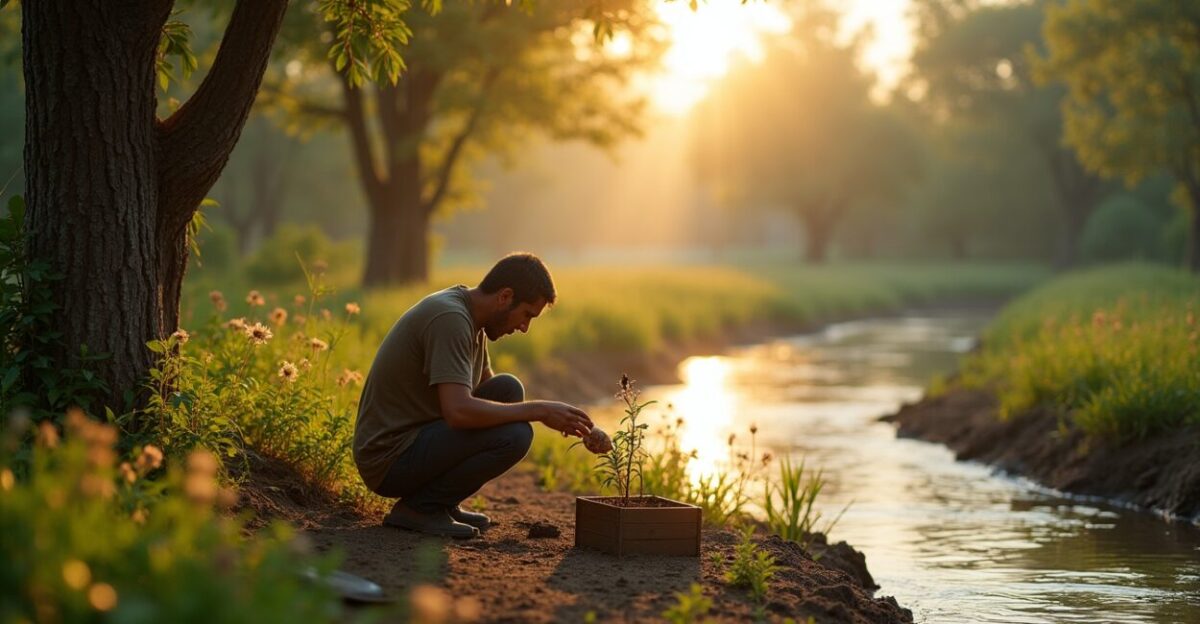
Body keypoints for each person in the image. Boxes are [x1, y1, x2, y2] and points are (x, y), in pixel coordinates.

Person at [353, 253, 593, 538]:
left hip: (417, 440)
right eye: (527, 315)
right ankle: (421, 508)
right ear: (505, 296)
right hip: (389, 458)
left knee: (508, 388)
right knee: (516, 435)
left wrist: (569, 422)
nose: (524, 328)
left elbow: (490, 396)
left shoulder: (472, 318)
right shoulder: (451, 319)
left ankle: (442, 502)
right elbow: (458, 411)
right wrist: (540, 411)